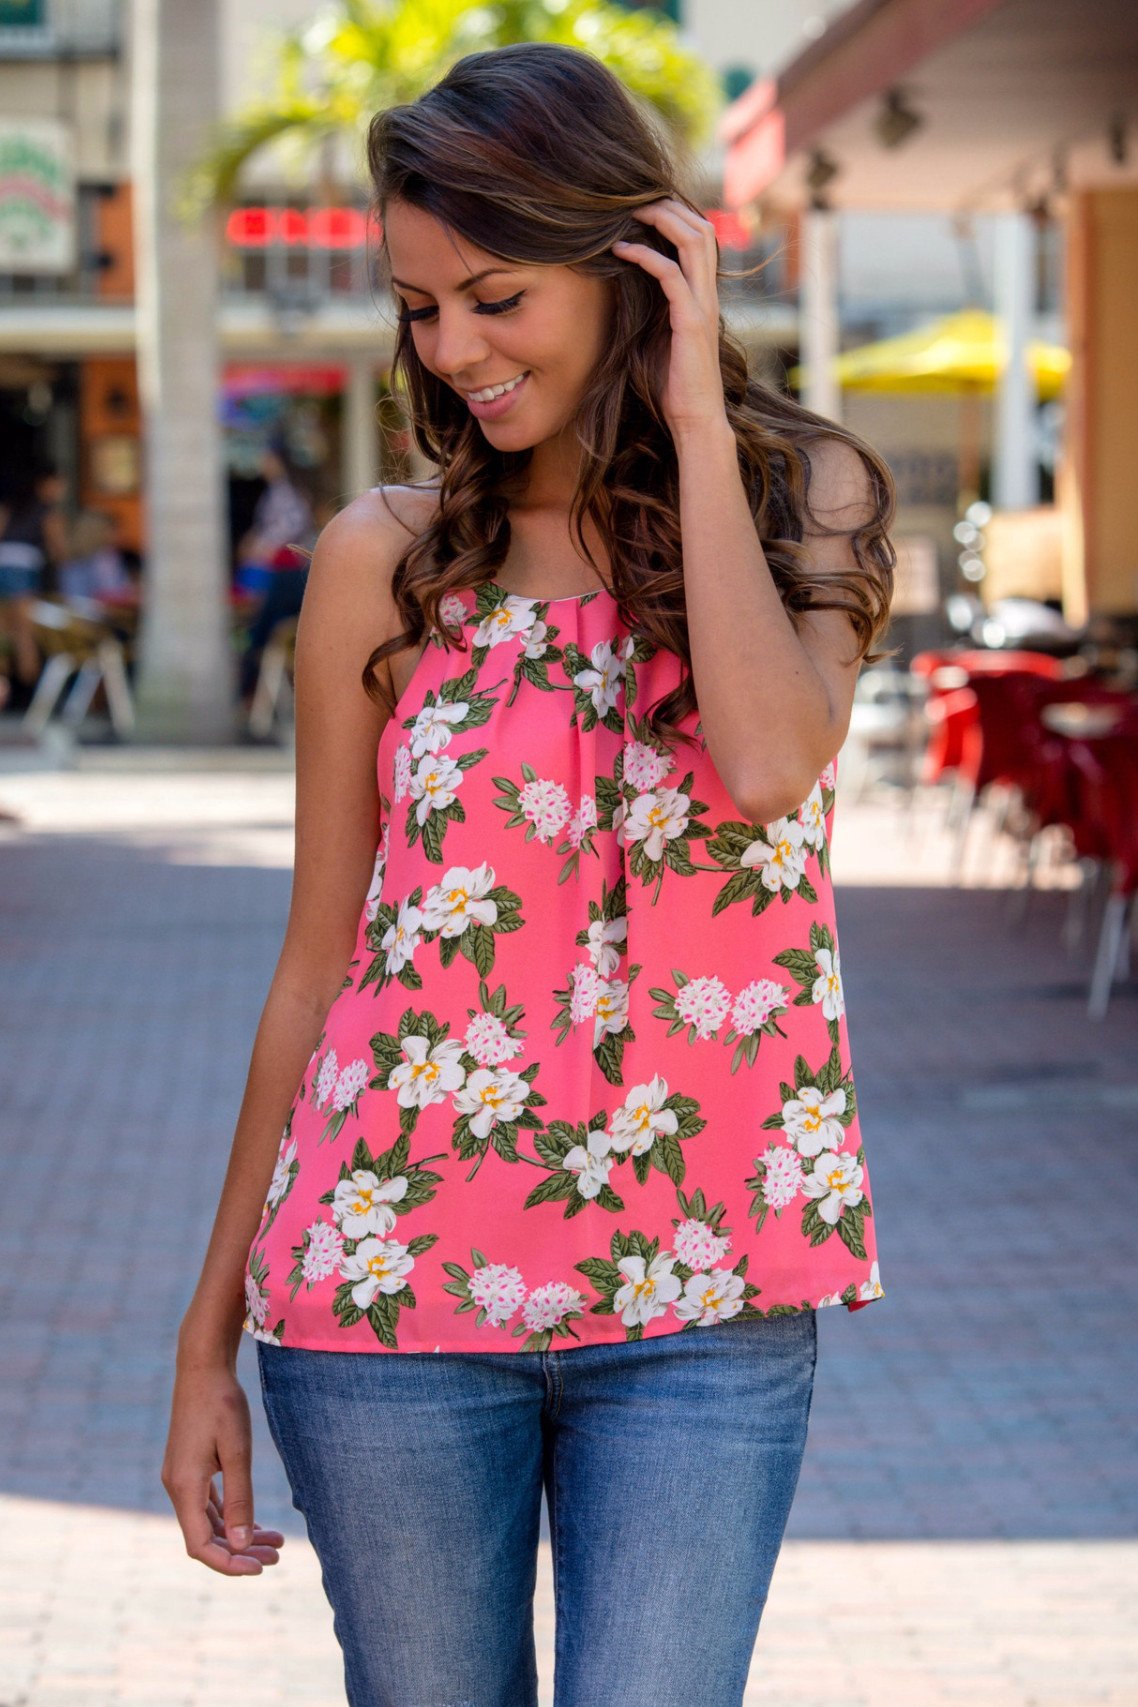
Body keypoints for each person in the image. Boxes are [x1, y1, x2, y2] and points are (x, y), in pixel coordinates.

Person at [162, 43, 895, 1707]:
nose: (456, 349)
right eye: (422, 308)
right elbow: (315, 965)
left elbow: (768, 759)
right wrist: (203, 1336)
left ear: (630, 261)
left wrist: (697, 410)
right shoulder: (383, 561)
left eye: (493, 293)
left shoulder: (806, 504)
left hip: (703, 1293)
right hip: (391, 1290)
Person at [235, 439, 318, 710]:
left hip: (280, 571)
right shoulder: (280, 491)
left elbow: (285, 529)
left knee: (260, 626)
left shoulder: (286, 492)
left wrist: (259, 547)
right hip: (278, 572)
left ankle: (247, 685)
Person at [0, 463, 67, 712]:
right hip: (22, 572)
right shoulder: (47, 511)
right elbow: (59, 551)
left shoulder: (9, 505)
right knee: (26, 637)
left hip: (2, 567)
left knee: (5, 636)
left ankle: (11, 694)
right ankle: (30, 699)